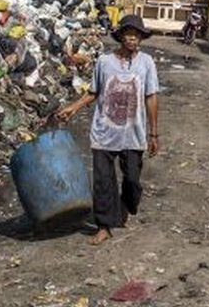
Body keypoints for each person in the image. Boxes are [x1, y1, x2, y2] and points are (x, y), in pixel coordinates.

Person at [55, 14, 159, 245]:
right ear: (121, 36)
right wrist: (73, 108)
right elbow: (94, 92)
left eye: (137, 35)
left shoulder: (146, 63)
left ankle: (125, 205)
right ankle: (104, 225)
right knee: (103, 181)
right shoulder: (104, 62)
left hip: (134, 133)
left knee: (132, 180)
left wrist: (153, 133)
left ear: (141, 38)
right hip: (104, 131)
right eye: (129, 34)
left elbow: (151, 97)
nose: (133, 38)